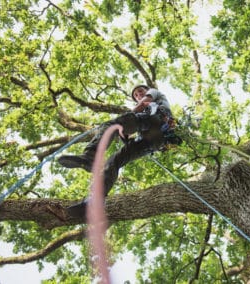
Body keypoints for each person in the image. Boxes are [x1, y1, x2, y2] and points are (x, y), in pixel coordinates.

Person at [58, 85, 182, 217]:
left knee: (111, 125)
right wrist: (125, 136)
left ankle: (90, 155)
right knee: (114, 161)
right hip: (151, 141)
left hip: (156, 122)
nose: (138, 95)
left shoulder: (154, 93)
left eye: (140, 91)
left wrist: (126, 118)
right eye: (136, 95)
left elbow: (141, 106)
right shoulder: (145, 111)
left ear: (146, 90)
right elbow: (133, 125)